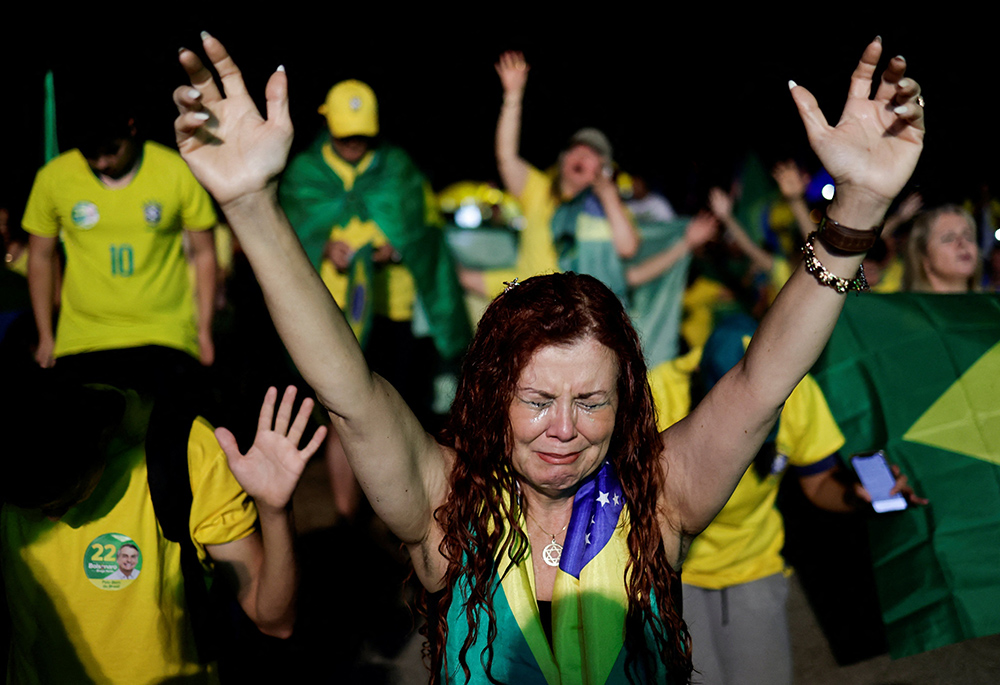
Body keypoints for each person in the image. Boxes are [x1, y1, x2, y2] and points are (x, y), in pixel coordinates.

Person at [174, 33, 923, 683]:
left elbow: (764, 381)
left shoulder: (660, 502)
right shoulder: (445, 512)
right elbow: (353, 392)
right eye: (536, 398)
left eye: (592, 400)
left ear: (625, 401)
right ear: (493, 393)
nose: (563, 427)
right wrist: (250, 207)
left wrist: (857, 207)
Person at [648, 315, 924, 685]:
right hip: (669, 567)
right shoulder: (658, 391)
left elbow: (818, 482)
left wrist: (858, 498)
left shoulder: (794, 387)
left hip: (754, 562)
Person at [1, 379, 325, 682]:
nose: (53, 518)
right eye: (29, 509)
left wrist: (273, 511)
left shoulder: (181, 451)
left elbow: (273, 618)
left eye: (64, 500)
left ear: (99, 442)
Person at [279, 78, 470, 518]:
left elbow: (425, 226)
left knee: (401, 411)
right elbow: (286, 232)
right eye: (346, 136)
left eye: (362, 135)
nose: (354, 144)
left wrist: (397, 248)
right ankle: (349, 518)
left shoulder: (397, 167)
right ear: (328, 125)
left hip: (392, 308)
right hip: (334, 310)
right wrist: (324, 246)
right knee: (342, 414)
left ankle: (405, 513)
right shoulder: (305, 173)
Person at [23, 107, 218, 393]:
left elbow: (204, 254)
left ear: (131, 129)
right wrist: (45, 335)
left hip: (165, 336)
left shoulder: (174, 169)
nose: (102, 162)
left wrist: (203, 330)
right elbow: (40, 257)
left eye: (111, 150)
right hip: (83, 339)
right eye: (90, 154)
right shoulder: (54, 177)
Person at [902, 205, 982, 292]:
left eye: (968, 236)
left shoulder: (992, 303)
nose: (962, 243)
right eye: (949, 238)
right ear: (924, 255)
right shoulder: (904, 305)